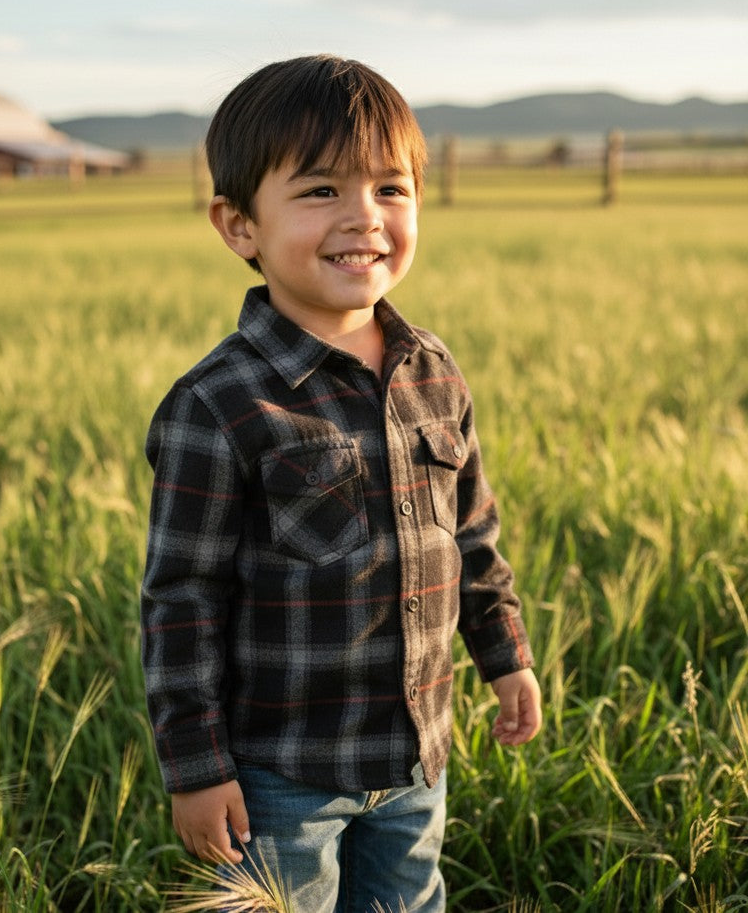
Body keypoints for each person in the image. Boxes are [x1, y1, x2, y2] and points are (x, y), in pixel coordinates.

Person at [140, 54, 542, 912]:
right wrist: (197, 768)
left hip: (415, 758)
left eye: (391, 190)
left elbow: (472, 535)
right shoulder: (218, 406)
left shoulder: (433, 370)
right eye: (320, 190)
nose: (364, 217)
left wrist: (504, 656)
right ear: (239, 224)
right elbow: (182, 602)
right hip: (282, 777)